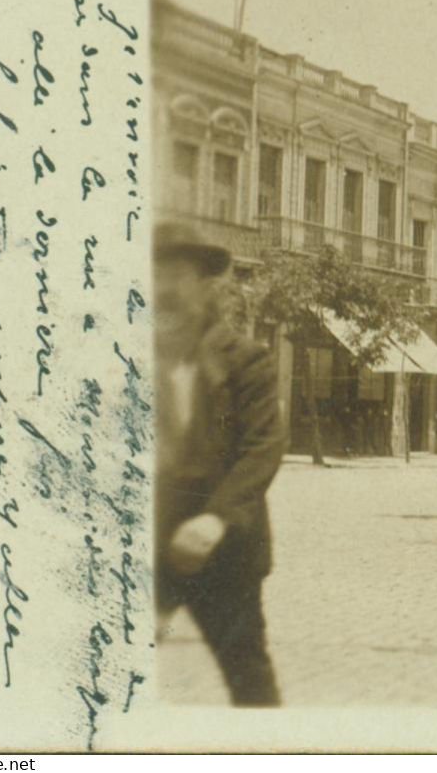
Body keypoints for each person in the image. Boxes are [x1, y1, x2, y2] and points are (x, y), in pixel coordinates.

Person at [153, 221, 287, 706]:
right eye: (154, 277)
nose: (163, 290)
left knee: (249, 680)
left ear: (205, 286)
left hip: (226, 546)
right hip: (148, 541)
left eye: (176, 277)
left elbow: (264, 445)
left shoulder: (245, 360)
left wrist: (217, 517)